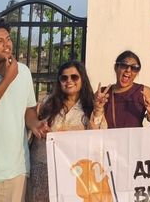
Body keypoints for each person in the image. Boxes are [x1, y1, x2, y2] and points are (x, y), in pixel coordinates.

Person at [0, 15, 47, 202]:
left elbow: (28, 109)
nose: (7, 45)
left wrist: (35, 124)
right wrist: (7, 79)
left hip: (15, 171)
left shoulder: (23, 72)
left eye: (8, 39)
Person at [29, 60, 109, 202]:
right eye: (64, 78)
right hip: (44, 170)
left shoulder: (90, 106)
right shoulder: (48, 103)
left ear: (82, 79)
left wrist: (97, 110)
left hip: (74, 173)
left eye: (74, 77)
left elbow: (98, 140)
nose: (69, 81)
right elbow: (32, 122)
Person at [103, 50, 150, 128]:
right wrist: (97, 109)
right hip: (108, 139)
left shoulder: (144, 91)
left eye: (134, 68)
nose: (128, 70)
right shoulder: (103, 93)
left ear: (137, 72)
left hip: (135, 139)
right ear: (116, 67)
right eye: (124, 65)